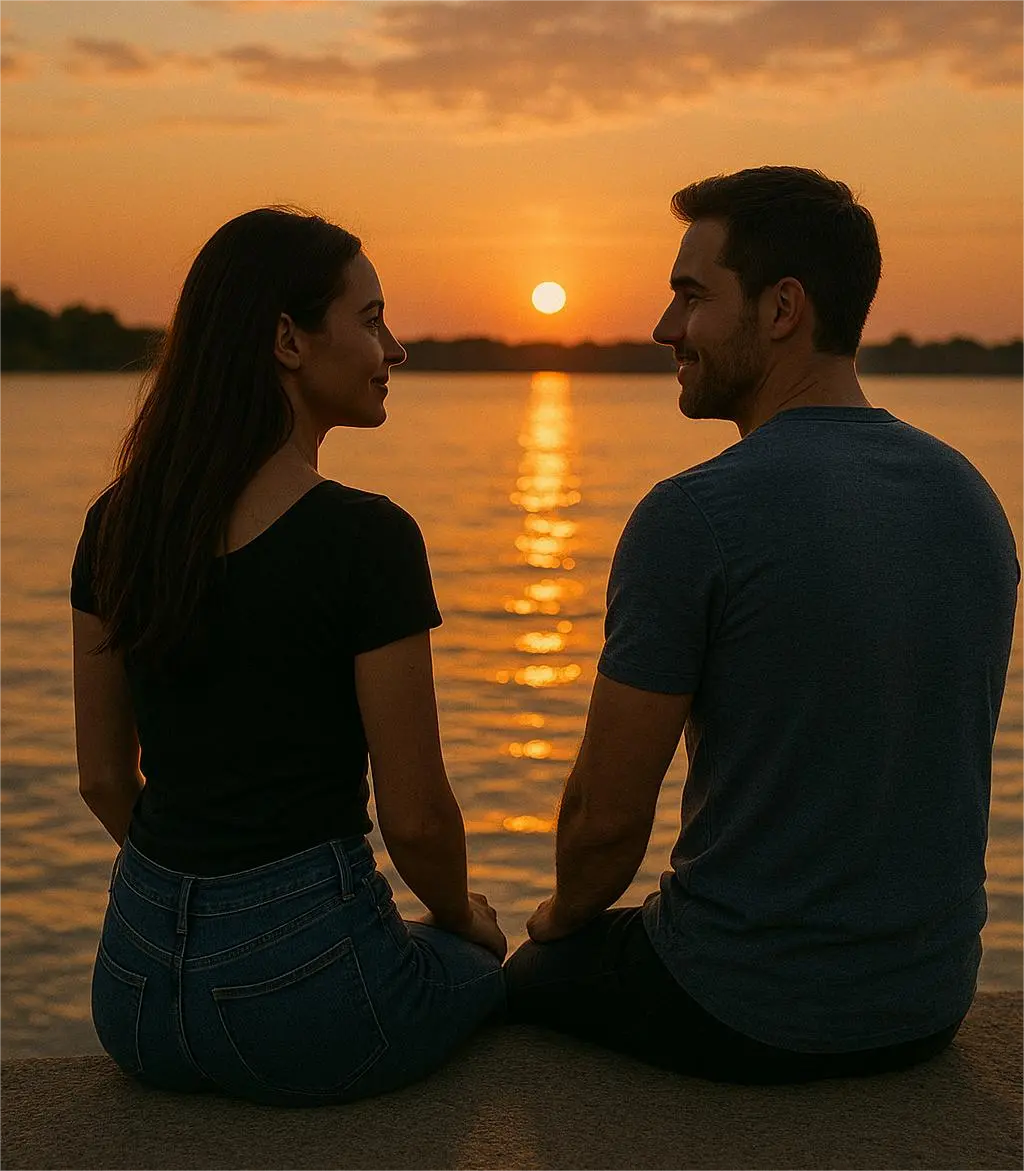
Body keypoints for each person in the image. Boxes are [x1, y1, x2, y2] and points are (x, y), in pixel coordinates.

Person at [504, 166, 1019, 1083]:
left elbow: (605, 825)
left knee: (520, 972)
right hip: (928, 1003)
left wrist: (551, 925)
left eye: (691, 296)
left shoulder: (695, 516)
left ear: (783, 309)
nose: (666, 328)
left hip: (743, 1008)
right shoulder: (972, 499)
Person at [71, 207, 506, 1108]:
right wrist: (464, 921)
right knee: (495, 971)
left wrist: (198, 900)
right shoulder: (365, 539)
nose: (395, 348)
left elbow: (105, 780)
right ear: (288, 340)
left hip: (135, 995)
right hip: (307, 1004)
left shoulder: (117, 524)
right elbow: (418, 818)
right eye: (371, 318)